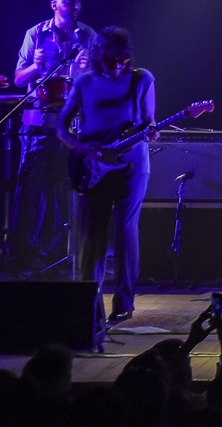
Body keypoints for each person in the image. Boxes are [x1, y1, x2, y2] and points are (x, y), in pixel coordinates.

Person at [57, 26, 157, 323]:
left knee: (126, 228)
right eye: (111, 60)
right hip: (94, 165)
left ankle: (124, 303)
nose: (117, 65)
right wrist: (85, 150)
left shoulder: (142, 78)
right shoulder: (84, 82)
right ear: (99, 55)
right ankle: (89, 304)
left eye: (122, 60)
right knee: (93, 234)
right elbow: (62, 128)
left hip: (132, 164)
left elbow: (148, 121)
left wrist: (152, 132)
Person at [11, 0, 98, 274]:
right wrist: (35, 67)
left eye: (78, 2)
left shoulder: (88, 36)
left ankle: (61, 256)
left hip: (72, 127)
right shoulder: (35, 34)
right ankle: (23, 256)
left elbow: (99, 83)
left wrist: (86, 69)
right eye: (69, 2)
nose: (75, 7)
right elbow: (18, 79)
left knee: (66, 191)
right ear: (54, 4)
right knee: (30, 192)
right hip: (37, 124)